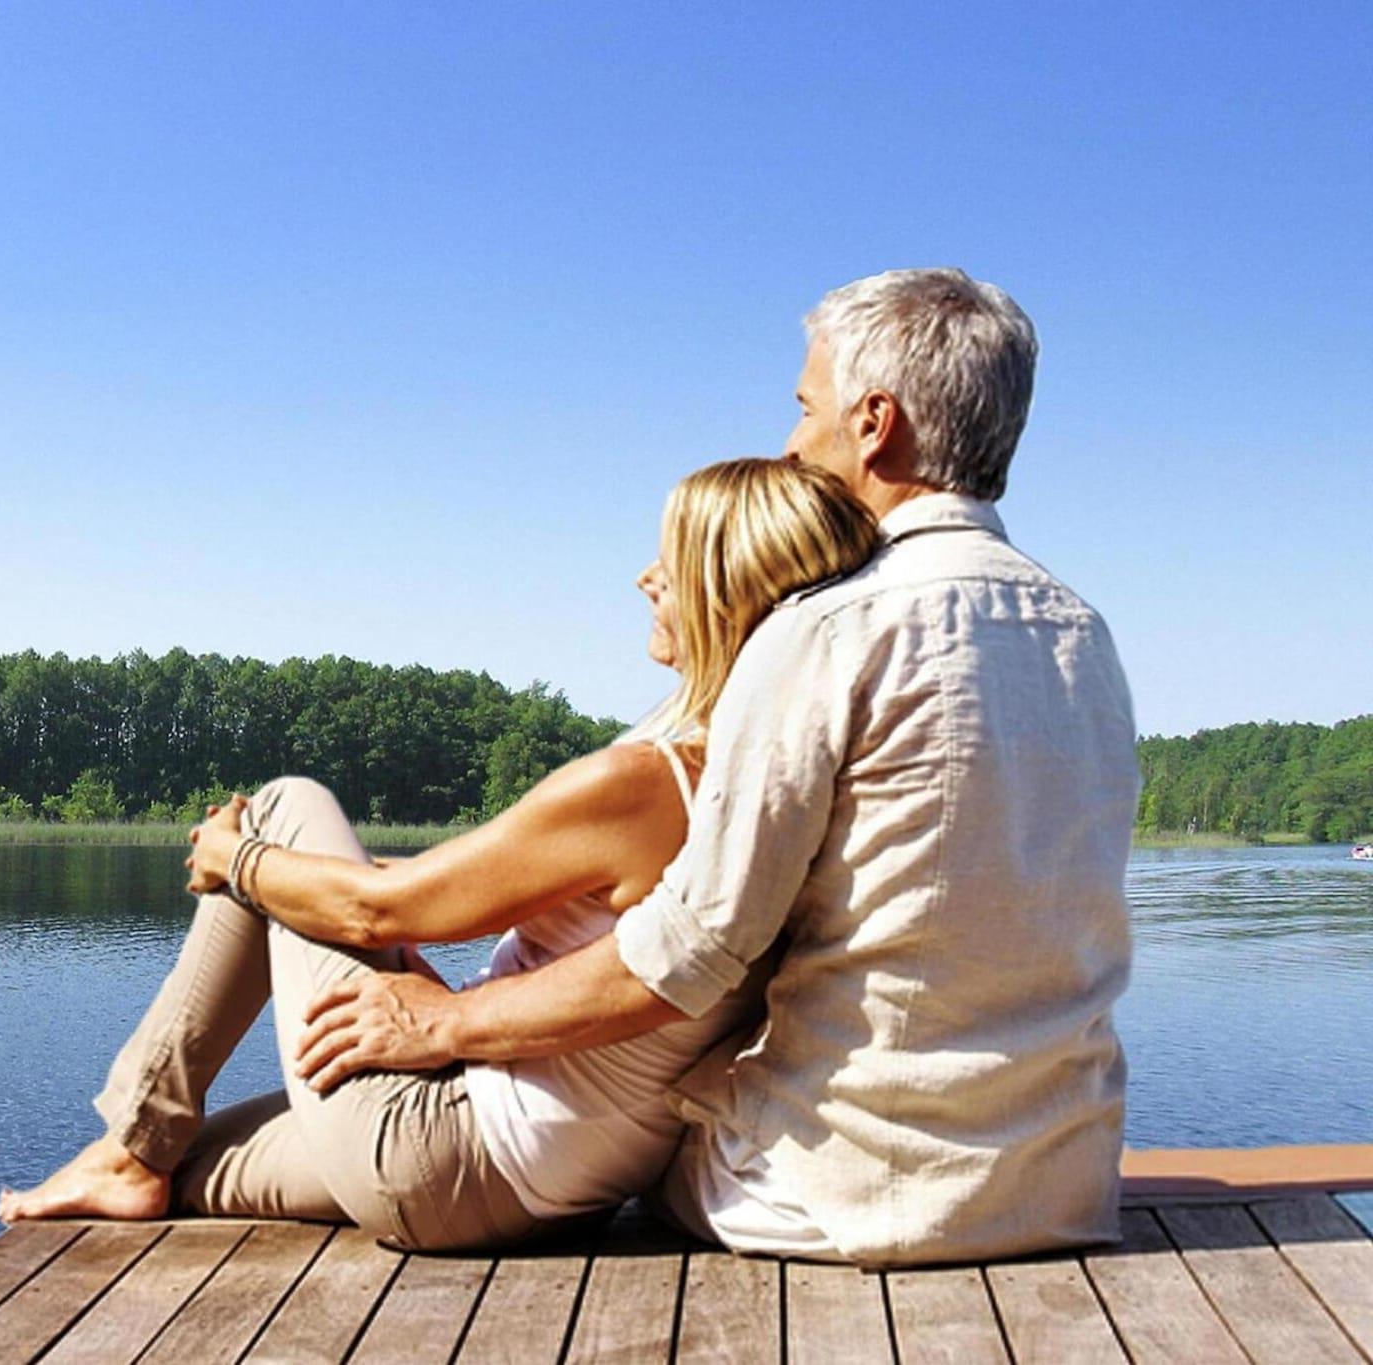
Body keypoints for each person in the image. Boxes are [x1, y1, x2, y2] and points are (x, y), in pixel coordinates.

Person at [291, 268, 1141, 1267]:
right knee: (291, 1153)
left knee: (608, 1122)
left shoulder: (827, 628)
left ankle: (155, 1143)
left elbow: (689, 952)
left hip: (844, 1192)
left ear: (873, 424)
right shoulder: (1082, 633)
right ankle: (160, 1152)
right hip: (1060, 1184)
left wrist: (447, 1023)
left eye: (805, 408)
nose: (791, 443)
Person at [0, 459, 880, 1251]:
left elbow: (378, 910)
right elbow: (428, 891)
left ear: (728, 593)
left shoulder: (646, 784)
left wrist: (238, 858)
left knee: (283, 805)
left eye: (671, 560)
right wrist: (290, 887)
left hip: (451, 1148)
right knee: (187, 1165)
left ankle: (133, 1136)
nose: (646, 577)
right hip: (563, 1190)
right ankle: (140, 1156)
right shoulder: (771, 794)